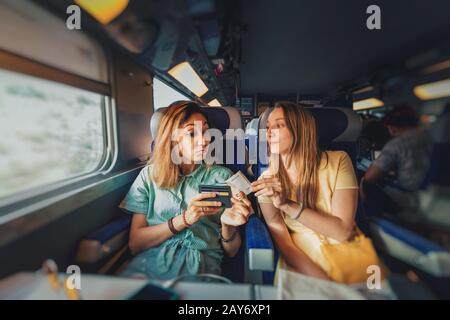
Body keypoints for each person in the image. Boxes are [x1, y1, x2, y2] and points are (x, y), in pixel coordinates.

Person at [119, 101, 252, 280]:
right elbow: (136, 244)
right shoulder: (149, 176)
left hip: (200, 266)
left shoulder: (224, 177)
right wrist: (184, 219)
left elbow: (232, 251)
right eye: (192, 133)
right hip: (148, 263)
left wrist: (228, 226)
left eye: (206, 131)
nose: (205, 139)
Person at [251, 102, 359, 282]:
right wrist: (324, 281)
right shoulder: (266, 182)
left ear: (300, 129)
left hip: (343, 247)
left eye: (279, 125)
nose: (269, 133)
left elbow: (342, 232)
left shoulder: (339, 161)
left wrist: (287, 205)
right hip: (301, 255)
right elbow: (285, 244)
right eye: (268, 127)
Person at [361, 105, 433, 218]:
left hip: (412, 197)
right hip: (434, 194)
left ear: (392, 127)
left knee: (368, 184)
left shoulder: (397, 144)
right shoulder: (430, 137)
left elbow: (370, 177)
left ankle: (373, 222)